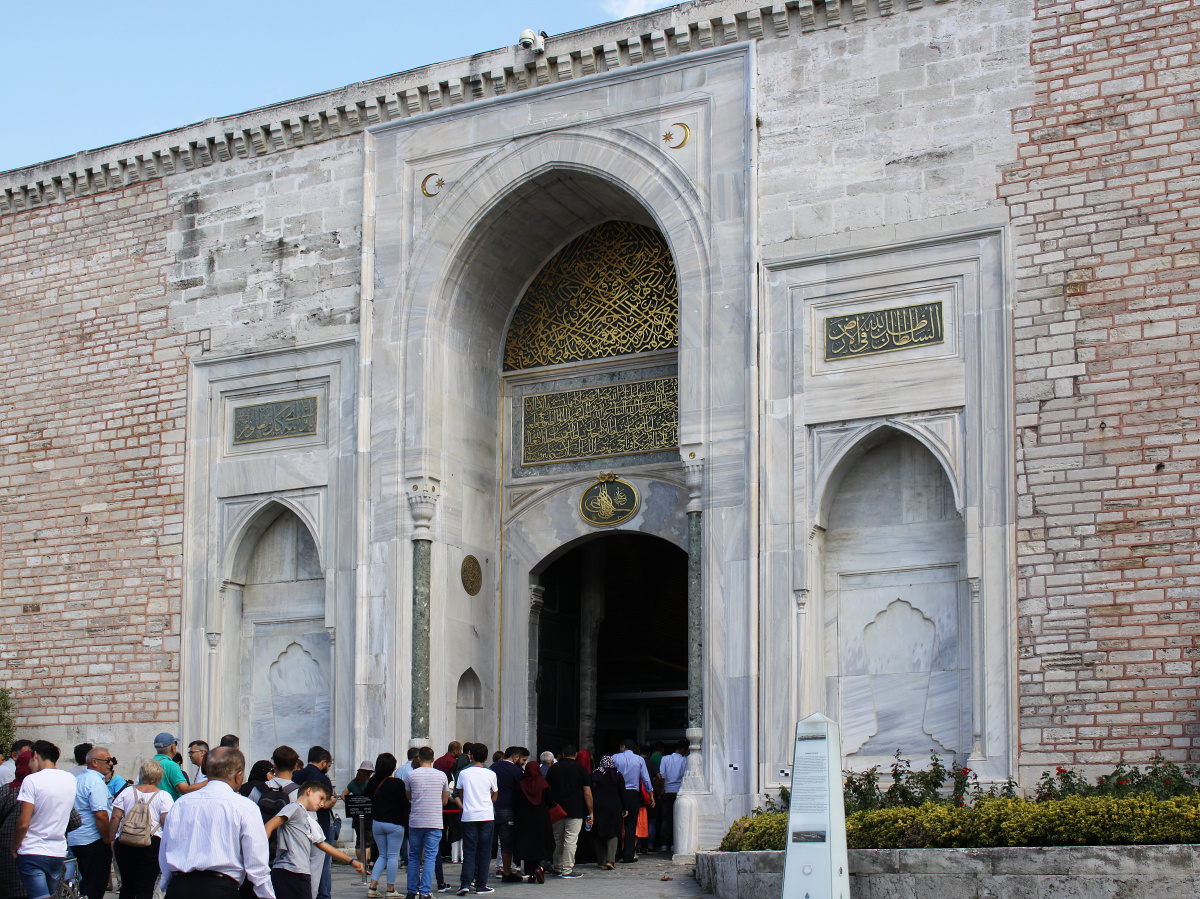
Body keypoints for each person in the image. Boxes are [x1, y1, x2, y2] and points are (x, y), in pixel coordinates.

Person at [157, 746, 274, 898]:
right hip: (219, 889)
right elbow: (257, 864)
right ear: (238, 776)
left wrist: (168, 884)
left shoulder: (181, 803)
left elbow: (165, 849)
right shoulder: (245, 807)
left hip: (180, 887)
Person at [264, 781, 363, 899]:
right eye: (321, 798)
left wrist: (351, 861)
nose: (322, 804)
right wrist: (261, 858)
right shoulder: (294, 807)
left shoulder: (306, 817)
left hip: (299, 872)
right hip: (289, 871)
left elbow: (323, 845)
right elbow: (269, 826)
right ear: (309, 791)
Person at [13, 740, 78, 899]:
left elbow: (23, 823)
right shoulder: (70, 779)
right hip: (57, 851)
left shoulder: (32, 780)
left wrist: (14, 847)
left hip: (32, 850)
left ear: (35, 755)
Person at [109, 758, 174, 899]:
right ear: (159, 776)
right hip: (152, 843)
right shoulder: (163, 796)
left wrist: (112, 839)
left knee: (127, 885)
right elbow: (166, 822)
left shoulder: (126, 792)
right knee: (146, 887)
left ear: (142, 774)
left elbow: (115, 817)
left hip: (125, 841)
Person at [68, 746, 116, 899]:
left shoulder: (79, 779)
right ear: (94, 762)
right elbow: (101, 815)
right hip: (93, 840)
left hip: (77, 839)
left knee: (86, 884)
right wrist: (108, 840)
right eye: (107, 760)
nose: (110, 764)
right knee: (95, 885)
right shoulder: (94, 782)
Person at [292, 748, 336, 899]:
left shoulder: (296, 775)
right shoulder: (322, 778)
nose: (328, 768)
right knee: (322, 863)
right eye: (328, 765)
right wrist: (332, 801)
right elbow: (325, 803)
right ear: (323, 763)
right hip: (320, 823)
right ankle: (323, 894)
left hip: (299, 823)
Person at [405, 747, 448, 899]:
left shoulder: (411, 775)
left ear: (418, 758)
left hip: (416, 820)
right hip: (434, 820)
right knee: (430, 856)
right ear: (433, 759)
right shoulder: (441, 775)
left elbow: (409, 796)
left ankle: (411, 890)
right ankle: (424, 891)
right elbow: (444, 801)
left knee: (414, 856)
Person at [454, 743, 496, 896]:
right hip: (486, 814)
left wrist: (469, 803)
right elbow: (495, 794)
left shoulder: (464, 773)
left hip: (469, 815)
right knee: (484, 851)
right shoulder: (490, 773)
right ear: (486, 757)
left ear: (470, 755)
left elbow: (460, 793)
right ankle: (481, 884)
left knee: (469, 850)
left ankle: (465, 883)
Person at [365, 754, 406, 899]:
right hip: (395, 823)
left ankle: (373, 887)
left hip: (377, 822)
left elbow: (367, 798)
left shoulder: (372, 782)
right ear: (392, 767)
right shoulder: (398, 784)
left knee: (382, 855)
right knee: (393, 856)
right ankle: (390, 889)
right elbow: (404, 805)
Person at [546, 745, 591, 878]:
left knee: (558, 839)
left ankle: (558, 866)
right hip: (575, 809)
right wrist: (591, 811)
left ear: (563, 754)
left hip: (557, 809)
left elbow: (547, 789)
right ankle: (567, 869)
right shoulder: (581, 770)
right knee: (571, 840)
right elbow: (587, 793)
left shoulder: (553, 769)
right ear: (576, 755)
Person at [489, 747, 526, 883]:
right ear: (516, 757)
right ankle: (506, 871)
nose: (523, 763)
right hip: (508, 809)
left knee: (488, 842)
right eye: (523, 760)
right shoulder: (517, 772)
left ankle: (479, 872)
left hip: (491, 808)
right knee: (506, 842)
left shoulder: (494, 766)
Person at [612, 739, 653, 863]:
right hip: (633, 794)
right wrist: (650, 793)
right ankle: (628, 855)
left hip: (618, 793)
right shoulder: (639, 760)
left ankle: (616, 853)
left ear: (623, 747)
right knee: (631, 825)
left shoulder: (615, 757)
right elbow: (645, 779)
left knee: (617, 824)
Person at [514, 760, 554, 884]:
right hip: (541, 818)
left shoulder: (520, 785)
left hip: (524, 819)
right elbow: (549, 801)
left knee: (528, 846)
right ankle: (540, 867)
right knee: (542, 843)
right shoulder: (544, 784)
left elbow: (516, 802)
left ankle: (530, 874)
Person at [589, 756, 625, 871]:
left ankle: (601, 861)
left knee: (598, 832)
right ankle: (610, 860)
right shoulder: (617, 775)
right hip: (613, 807)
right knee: (613, 833)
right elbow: (622, 792)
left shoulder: (595, 774)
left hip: (598, 806)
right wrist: (625, 807)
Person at [342, 760, 376, 869]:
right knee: (368, 842)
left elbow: (343, 795)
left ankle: (360, 863)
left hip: (356, 814)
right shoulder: (370, 783)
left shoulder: (353, 783)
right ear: (369, 772)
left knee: (359, 841)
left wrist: (351, 804)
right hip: (368, 814)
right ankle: (366, 864)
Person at [656, 739, 687, 853]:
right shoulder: (684, 760)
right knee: (678, 818)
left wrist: (662, 790)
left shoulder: (665, 759)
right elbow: (685, 776)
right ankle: (675, 843)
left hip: (667, 791)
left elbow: (662, 776)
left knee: (665, 819)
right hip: (678, 791)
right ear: (684, 749)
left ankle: (664, 844)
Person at [152, 734, 202, 799]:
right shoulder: (171, 765)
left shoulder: (147, 764)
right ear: (173, 747)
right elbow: (185, 790)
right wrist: (209, 781)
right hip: (169, 807)